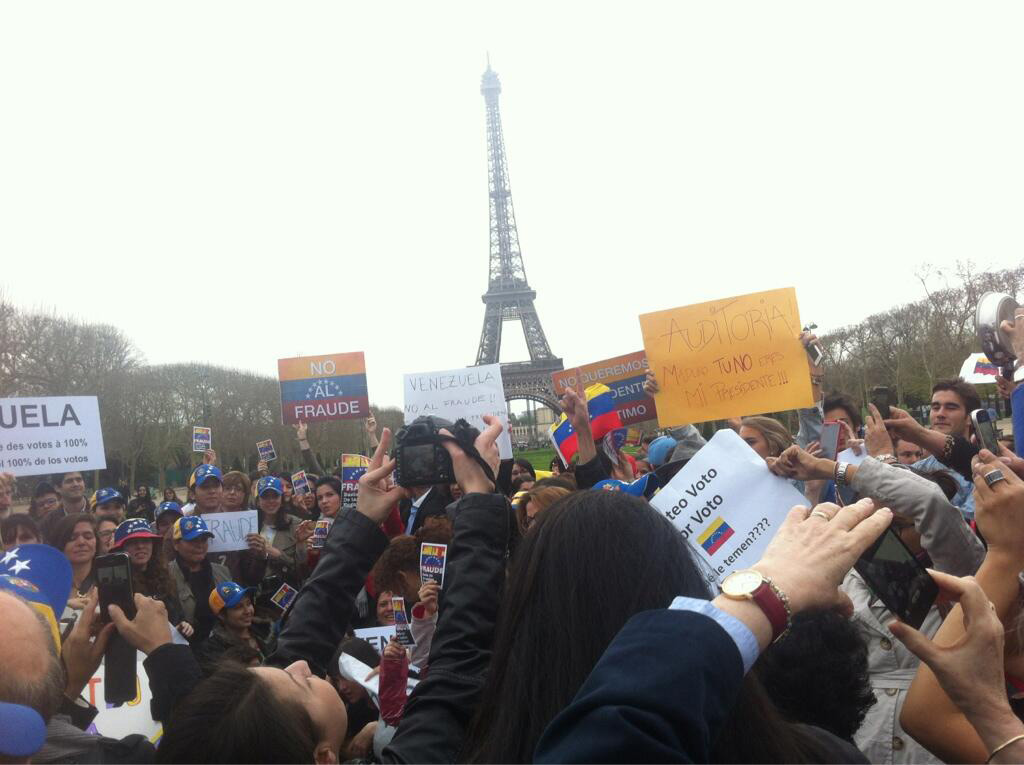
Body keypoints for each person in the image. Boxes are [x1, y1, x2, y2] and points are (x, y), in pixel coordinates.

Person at [884, 378, 981, 518]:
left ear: (969, 418)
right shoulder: (918, 469)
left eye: (951, 407)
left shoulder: (984, 467)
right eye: (935, 407)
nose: (940, 414)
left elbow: (963, 525)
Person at [110, 517, 189, 636]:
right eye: (132, 542)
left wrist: (183, 626)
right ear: (120, 549)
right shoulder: (115, 585)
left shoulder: (166, 577)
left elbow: (179, 616)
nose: (140, 546)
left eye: (146, 540)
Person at [168, 515, 231, 644]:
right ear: (176, 544)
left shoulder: (223, 572)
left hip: (223, 647)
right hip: (187, 649)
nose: (200, 545)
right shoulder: (166, 576)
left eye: (203, 540)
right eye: (192, 541)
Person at [196, 582, 273, 673]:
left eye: (248, 603)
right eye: (238, 607)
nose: (247, 611)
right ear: (221, 615)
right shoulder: (213, 650)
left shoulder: (266, 632)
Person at [245, 475, 305, 590]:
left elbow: (303, 570)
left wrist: (278, 555)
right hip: (257, 595)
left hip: (287, 591)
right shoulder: (249, 525)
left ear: (282, 500)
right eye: (265, 497)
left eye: (275, 496)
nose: (271, 501)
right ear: (258, 501)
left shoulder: (296, 525)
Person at [51, 513, 98, 613]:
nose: (81, 542)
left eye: (88, 536)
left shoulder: (109, 581)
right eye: (72, 538)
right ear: (60, 543)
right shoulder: (47, 585)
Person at [39, 472, 88, 544]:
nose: (76, 484)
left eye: (79, 480)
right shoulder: (48, 523)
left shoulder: (98, 512)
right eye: (69, 481)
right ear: (57, 488)